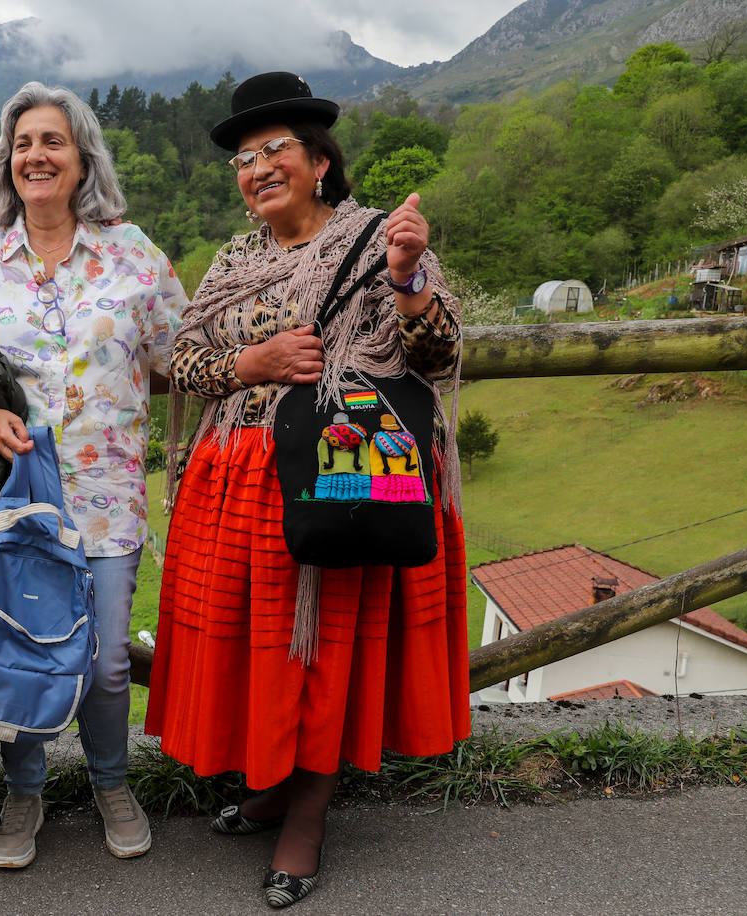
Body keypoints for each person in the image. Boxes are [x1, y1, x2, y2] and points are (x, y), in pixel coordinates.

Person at [144, 71, 469, 909]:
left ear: (320, 160)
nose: (256, 169)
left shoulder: (380, 240)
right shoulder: (235, 261)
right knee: (259, 652)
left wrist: (406, 277)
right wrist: (247, 365)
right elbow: (182, 361)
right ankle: (271, 784)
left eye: (274, 150)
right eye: (244, 159)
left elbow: (436, 359)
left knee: (319, 654)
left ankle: (307, 817)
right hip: (237, 481)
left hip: (341, 473)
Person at [0, 81, 186, 868]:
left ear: (82, 161)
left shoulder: (132, 252)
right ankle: (25, 792)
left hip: (107, 498)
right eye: (22, 144)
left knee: (107, 662)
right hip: (15, 502)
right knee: (21, 651)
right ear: (7, 163)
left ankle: (111, 782)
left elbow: (187, 354)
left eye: (53, 142)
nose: (36, 155)